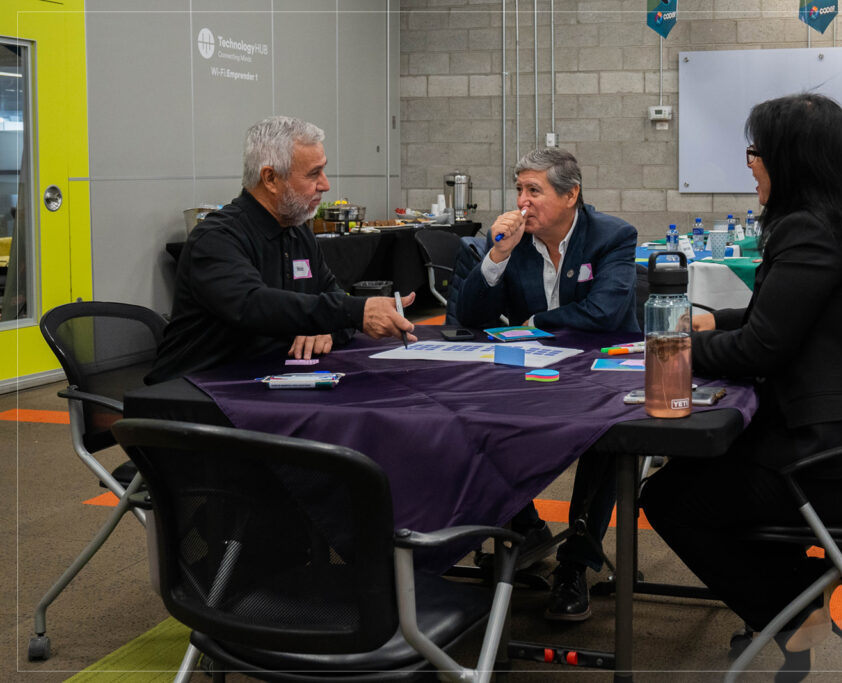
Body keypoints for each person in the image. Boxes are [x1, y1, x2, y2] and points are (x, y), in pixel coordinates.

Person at [639, 94, 842, 681]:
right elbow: (793, 316)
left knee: (668, 499)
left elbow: (763, 348)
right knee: (704, 475)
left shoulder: (808, 231)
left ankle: (793, 613)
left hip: (834, 469)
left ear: (791, 161)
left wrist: (669, 350)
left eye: (756, 153)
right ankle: (805, 596)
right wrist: (715, 322)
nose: (751, 165)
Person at [457, 147, 639, 621]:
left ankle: (575, 565)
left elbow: (604, 313)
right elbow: (469, 317)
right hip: (534, 371)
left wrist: (535, 321)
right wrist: (497, 254)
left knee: (607, 441)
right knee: (478, 422)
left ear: (570, 194)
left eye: (534, 190)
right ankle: (528, 527)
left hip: (603, 372)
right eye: (519, 189)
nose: (522, 201)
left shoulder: (612, 236)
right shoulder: (515, 241)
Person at [146, 116, 414, 384]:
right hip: (196, 390)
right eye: (313, 174)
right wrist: (351, 312)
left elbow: (331, 299)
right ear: (271, 178)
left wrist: (328, 330)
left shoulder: (298, 233)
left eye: (323, 171)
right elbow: (253, 305)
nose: (325, 184)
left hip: (267, 381)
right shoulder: (216, 238)